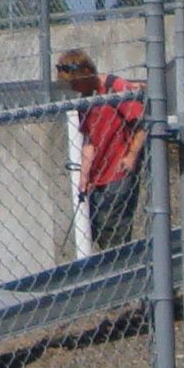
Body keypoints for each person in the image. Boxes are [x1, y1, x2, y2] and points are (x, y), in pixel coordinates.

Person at [62, 48, 144, 249]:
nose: (73, 87)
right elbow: (89, 141)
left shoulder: (114, 88)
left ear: (86, 72)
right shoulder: (85, 100)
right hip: (99, 174)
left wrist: (131, 156)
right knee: (96, 225)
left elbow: (140, 125)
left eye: (75, 82)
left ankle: (120, 262)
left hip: (119, 169)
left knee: (113, 225)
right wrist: (84, 176)